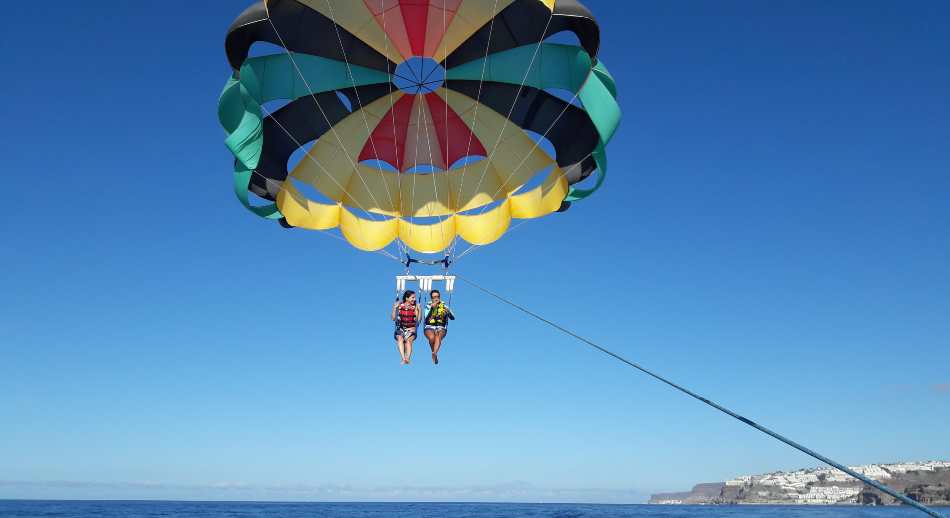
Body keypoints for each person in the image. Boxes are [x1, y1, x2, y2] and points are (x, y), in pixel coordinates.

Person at [423, 289, 455, 364]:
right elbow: (426, 317)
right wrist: (432, 308)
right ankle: (434, 353)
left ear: (440, 297)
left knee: (438, 335)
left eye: (437, 296)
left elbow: (453, 318)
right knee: (431, 337)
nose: (436, 298)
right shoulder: (428, 306)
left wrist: (448, 313)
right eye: (434, 297)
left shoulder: (444, 306)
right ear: (431, 298)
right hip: (429, 326)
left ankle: (434, 353)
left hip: (441, 326)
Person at [391, 290, 421, 365]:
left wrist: (420, 310)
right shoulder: (400, 305)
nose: (414, 299)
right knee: (400, 339)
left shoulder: (415, 307)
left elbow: (418, 320)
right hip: (400, 328)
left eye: (414, 298)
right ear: (407, 298)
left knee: (408, 341)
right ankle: (403, 358)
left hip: (411, 329)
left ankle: (407, 358)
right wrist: (394, 308)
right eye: (412, 297)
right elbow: (393, 318)